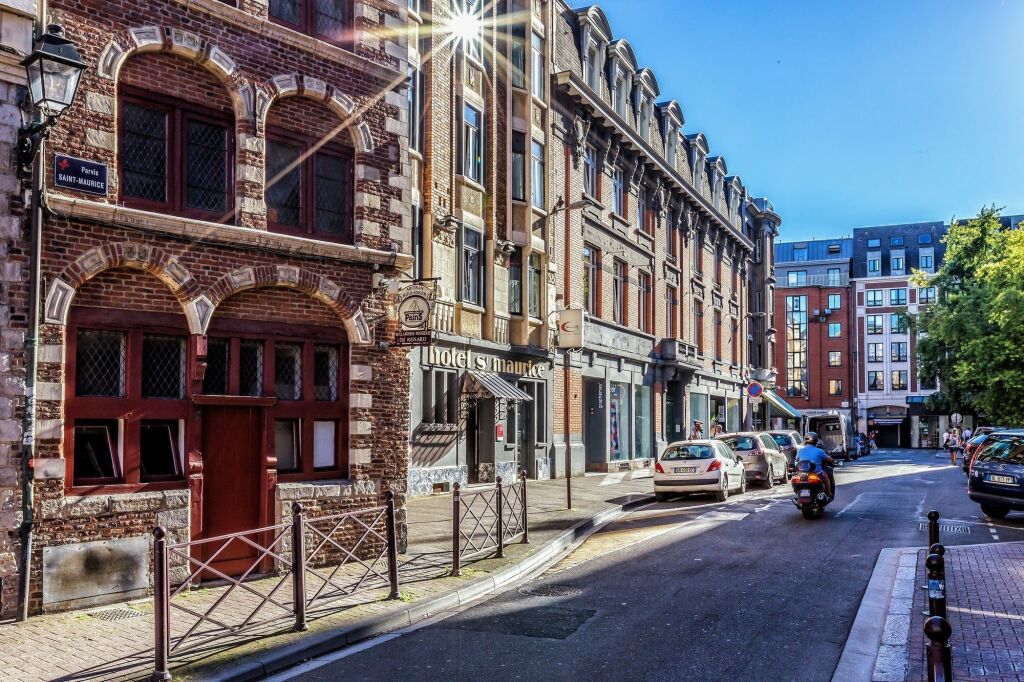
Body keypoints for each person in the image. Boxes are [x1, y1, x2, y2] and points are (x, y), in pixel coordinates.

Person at [796, 432, 836, 499]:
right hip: (816, 473)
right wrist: (833, 461)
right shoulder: (819, 451)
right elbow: (829, 459)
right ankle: (829, 492)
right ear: (816, 441)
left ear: (805, 440)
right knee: (826, 477)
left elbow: (797, 460)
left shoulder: (800, 450)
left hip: (802, 473)